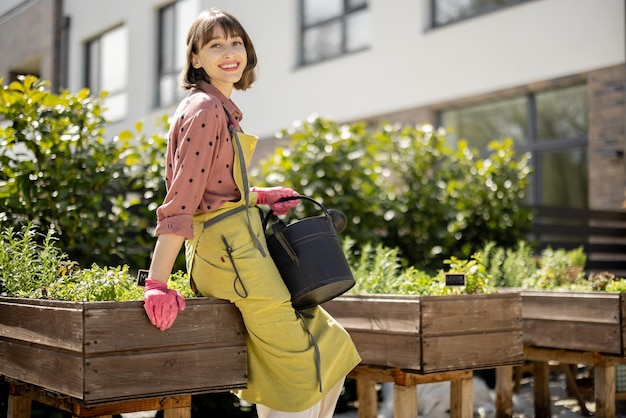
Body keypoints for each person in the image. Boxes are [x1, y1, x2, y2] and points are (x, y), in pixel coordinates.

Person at [142, 8, 361, 418]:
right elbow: (182, 201)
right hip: (230, 253)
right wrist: (157, 282)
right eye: (215, 45)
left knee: (323, 339)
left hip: (237, 245)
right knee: (295, 359)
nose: (230, 52)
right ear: (195, 59)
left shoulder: (216, 107)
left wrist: (262, 196)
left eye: (236, 42)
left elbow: (213, 188)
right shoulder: (206, 110)